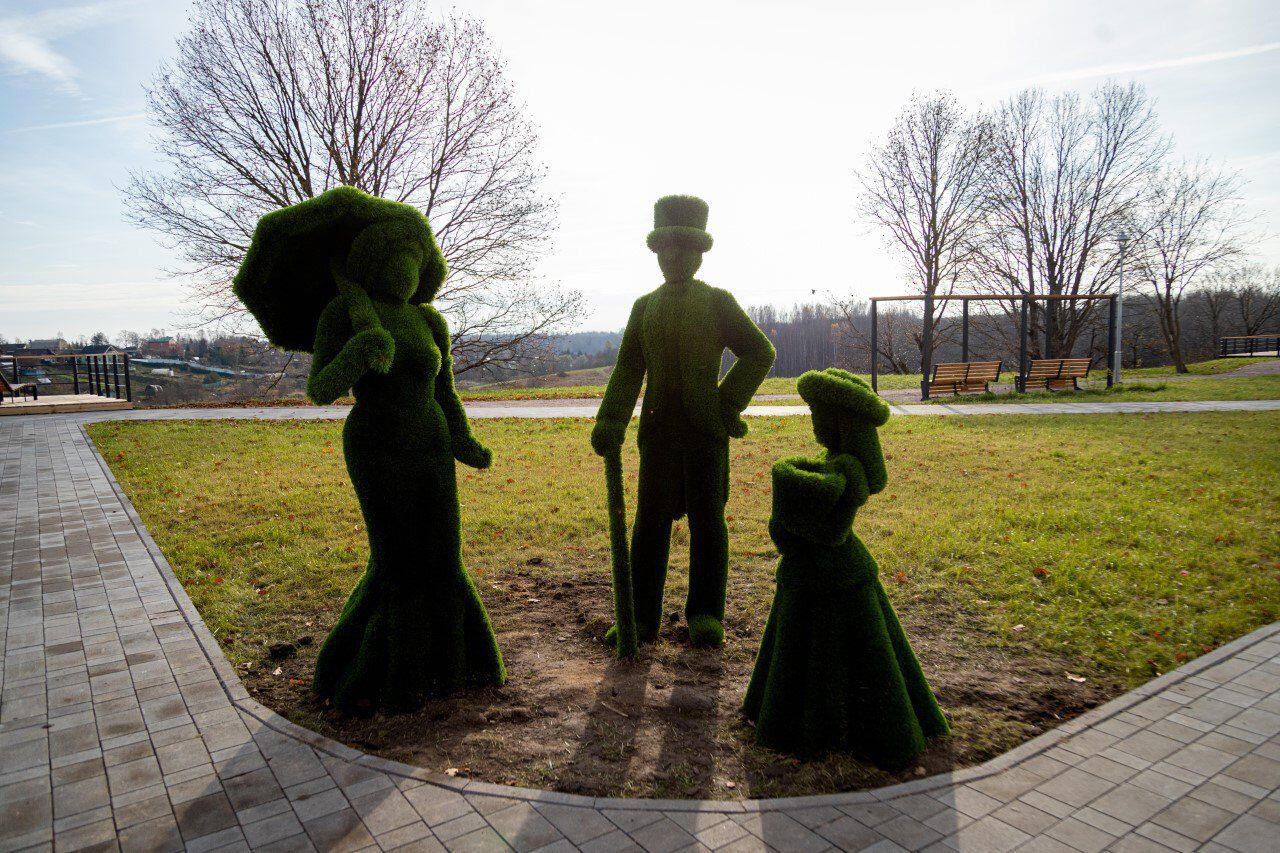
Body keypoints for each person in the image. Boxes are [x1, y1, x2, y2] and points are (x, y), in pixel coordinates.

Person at [234, 187, 504, 711]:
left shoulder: (429, 320)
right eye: (394, 258)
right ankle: (387, 673)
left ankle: (455, 664)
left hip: (431, 443)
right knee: (397, 558)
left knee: (442, 554)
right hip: (376, 445)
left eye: (413, 259)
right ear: (370, 262)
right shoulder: (344, 312)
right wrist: (357, 354)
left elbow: (445, 390)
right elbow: (321, 388)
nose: (405, 271)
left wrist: (463, 438)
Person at [591, 195, 775, 647]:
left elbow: (759, 351)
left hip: (705, 434)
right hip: (657, 434)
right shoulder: (644, 307)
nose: (674, 258)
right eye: (666, 249)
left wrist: (726, 403)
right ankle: (641, 616)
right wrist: (611, 421)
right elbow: (628, 369)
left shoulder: (717, 303)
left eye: (685, 249)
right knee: (649, 524)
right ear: (656, 252)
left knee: (708, 522)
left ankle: (706, 613)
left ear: (699, 254)